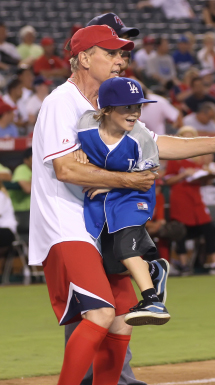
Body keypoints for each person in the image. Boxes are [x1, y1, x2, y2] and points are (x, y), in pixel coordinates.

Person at [29, 24, 215, 385]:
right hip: (66, 224)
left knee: (122, 320)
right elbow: (65, 168)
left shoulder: (107, 106)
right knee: (102, 313)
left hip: (99, 227)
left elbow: (157, 143)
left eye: (124, 54)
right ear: (85, 58)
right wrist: (129, 182)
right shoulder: (61, 103)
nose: (121, 60)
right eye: (112, 52)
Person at [77, 76, 170, 326]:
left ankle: (152, 300)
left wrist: (108, 182)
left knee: (124, 249)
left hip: (133, 197)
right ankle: (153, 270)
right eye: (127, 107)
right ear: (106, 109)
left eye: (137, 106)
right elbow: (71, 148)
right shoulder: (86, 124)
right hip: (102, 201)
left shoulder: (141, 138)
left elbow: (148, 177)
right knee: (112, 264)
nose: (135, 113)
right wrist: (78, 151)